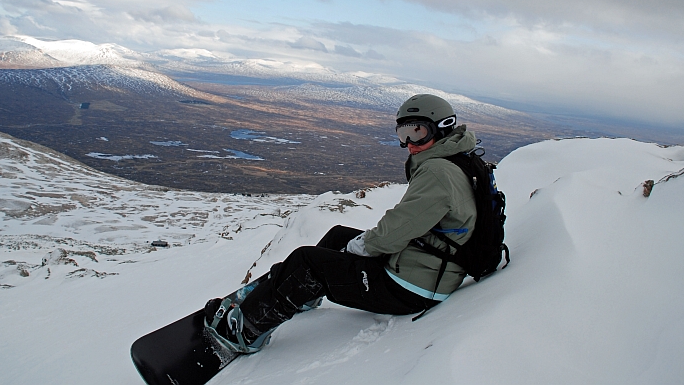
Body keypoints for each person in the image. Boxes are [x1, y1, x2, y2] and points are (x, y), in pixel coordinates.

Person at [205, 94, 479, 353]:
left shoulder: (438, 173)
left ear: (442, 129)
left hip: (412, 288)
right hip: (425, 266)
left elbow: (396, 230)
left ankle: (244, 332)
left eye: (418, 133)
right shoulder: (455, 159)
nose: (409, 143)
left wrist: (363, 247)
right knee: (339, 237)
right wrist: (356, 246)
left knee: (307, 261)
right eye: (403, 134)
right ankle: (303, 291)